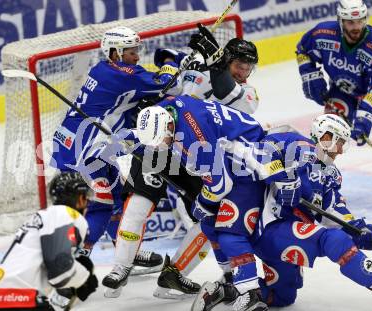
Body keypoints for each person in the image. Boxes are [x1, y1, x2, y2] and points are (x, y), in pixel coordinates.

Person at [102, 25, 262, 299]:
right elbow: (165, 84)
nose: (243, 72)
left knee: (211, 219)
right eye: (238, 65)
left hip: (199, 160)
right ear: (227, 61)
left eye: (248, 68)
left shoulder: (249, 94)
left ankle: (172, 275)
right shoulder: (199, 74)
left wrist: (216, 68)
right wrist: (179, 62)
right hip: (163, 143)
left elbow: (235, 102)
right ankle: (121, 267)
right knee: (140, 201)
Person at [191, 114, 372, 310]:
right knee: (334, 240)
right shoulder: (296, 144)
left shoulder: (330, 174)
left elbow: (332, 208)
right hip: (270, 226)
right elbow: (262, 150)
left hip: (289, 236)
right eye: (339, 142)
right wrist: (285, 178)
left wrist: (357, 229)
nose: (340, 150)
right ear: (325, 136)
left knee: (282, 296)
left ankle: (228, 290)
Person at [117, 95, 269, 310]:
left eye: (160, 140)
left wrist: (202, 203)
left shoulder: (194, 141)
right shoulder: (165, 110)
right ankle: (230, 277)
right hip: (232, 154)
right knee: (209, 223)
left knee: (227, 228)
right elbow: (152, 130)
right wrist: (131, 138)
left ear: (170, 126)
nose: (159, 147)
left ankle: (249, 290)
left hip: (249, 166)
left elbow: (219, 185)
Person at [49, 26, 181, 270]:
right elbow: (170, 84)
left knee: (118, 195)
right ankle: (75, 257)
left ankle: (125, 250)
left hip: (82, 141)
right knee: (102, 202)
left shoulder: (103, 68)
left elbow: (125, 98)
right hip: (85, 148)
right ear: (116, 52)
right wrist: (173, 61)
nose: (137, 56)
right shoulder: (123, 73)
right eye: (131, 51)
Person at [0, 172, 98, 311]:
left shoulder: (41, 217)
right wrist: (84, 279)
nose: (87, 204)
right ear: (80, 198)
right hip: (22, 296)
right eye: (86, 198)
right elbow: (60, 270)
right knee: (83, 264)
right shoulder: (65, 214)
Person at [296, 0, 372, 151]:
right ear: (341, 21)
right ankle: (319, 170)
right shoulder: (323, 34)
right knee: (329, 131)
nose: (356, 27)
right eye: (351, 23)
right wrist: (310, 76)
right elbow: (302, 50)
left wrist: (364, 116)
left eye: (360, 21)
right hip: (343, 91)